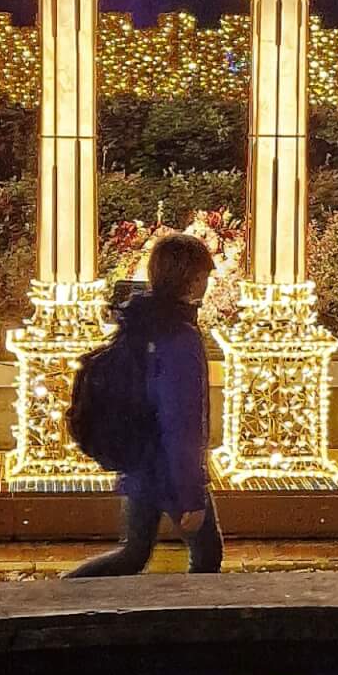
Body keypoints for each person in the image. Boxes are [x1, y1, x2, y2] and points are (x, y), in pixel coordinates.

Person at [68, 231, 224, 578]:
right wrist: (191, 494)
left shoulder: (141, 323)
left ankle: (65, 592)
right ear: (193, 278)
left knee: (134, 553)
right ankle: (194, 624)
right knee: (207, 554)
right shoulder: (180, 338)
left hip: (139, 460)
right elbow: (181, 420)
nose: (208, 284)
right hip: (167, 469)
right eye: (206, 276)